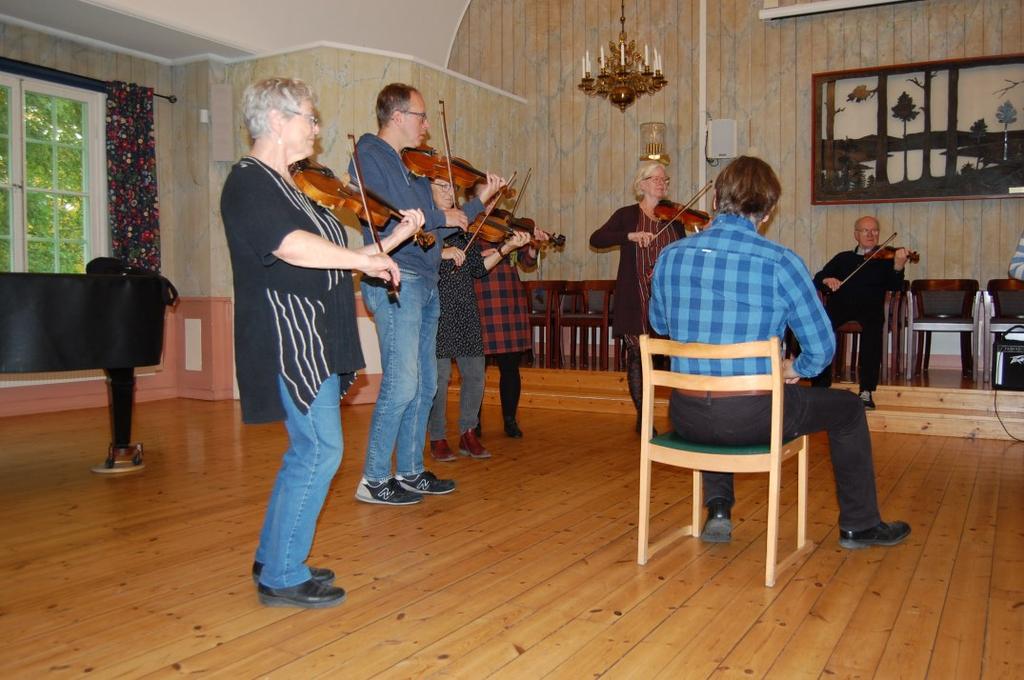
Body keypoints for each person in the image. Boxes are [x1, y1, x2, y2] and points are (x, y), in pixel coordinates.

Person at [221, 77, 421, 608]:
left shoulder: (290, 183)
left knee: (308, 451)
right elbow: (289, 248)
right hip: (292, 337)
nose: (317, 128)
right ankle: (284, 574)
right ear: (277, 119)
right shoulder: (248, 182)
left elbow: (330, 255)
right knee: (320, 450)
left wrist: (388, 245)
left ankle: (275, 554)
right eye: (309, 118)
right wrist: (362, 259)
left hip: (316, 334)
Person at [649, 155, 910, 550]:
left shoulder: (671, 256)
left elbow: (661, 326)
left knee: (714, 380)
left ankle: (718, 508)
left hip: (686, 415)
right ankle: (860, 525)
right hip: (754, 418)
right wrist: (794, 368)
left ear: (717, 197)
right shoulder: (781, 262)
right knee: (849, 410)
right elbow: (822, 349)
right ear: (768, 210)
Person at [350, 83, 504, 505]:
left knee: (425, 387)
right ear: (397, 116)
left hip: (427, 280)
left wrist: (478, 203)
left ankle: (411, 470)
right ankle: (374, 478)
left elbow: (441, 224)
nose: (426, 125)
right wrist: (443, 212)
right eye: (420, 116)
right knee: (401, 385)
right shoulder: (369, 154)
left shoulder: (408, 166)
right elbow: (398, 216)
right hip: (397, 281)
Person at [427, 179, 532, 460]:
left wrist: (505, 249)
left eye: (452, 188)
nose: (450, 193)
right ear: (428, 191)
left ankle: (468, 433)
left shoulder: (464, 228)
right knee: (440, 377)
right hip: (436, 307)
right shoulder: (425, 224)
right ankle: (437, 436)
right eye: (442, 187)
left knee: (475, 375)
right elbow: (413, 256)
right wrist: (441, 252)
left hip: (466, 308)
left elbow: (477, 268)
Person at [590, 161, 685, 431]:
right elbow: (596, 238)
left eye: (665, 179)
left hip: (665, 299)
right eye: (656, 179)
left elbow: (681, 254)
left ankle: (675, 414)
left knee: (659, 356)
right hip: (636, 296)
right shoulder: (627, 215)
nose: (662, 183)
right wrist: (629, 236)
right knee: (636, 354)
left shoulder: (674, 219)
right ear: (641, 184)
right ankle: (644, 418)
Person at [810, 216, 907, 409]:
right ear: (856, 234)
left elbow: (896, 286)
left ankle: (866, 390)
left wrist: (898, 266)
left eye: (875, 231)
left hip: (870, 306)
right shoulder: (843, 258)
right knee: (821, 329)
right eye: (865, 230)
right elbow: (818, 278)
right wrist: (827, 280)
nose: (871, 235)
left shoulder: (887, 258)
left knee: (873, 329)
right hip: (841, 305)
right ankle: (820, 387)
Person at [473, 203, 550, 438]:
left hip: (509, 299)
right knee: (476, 369)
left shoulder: (508, 227)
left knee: (510, 367)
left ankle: (510, 420)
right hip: (480, 298)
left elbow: (526, 264)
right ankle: (472, 422)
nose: (493, 203)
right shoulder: (469, 226)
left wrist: (534, 247)